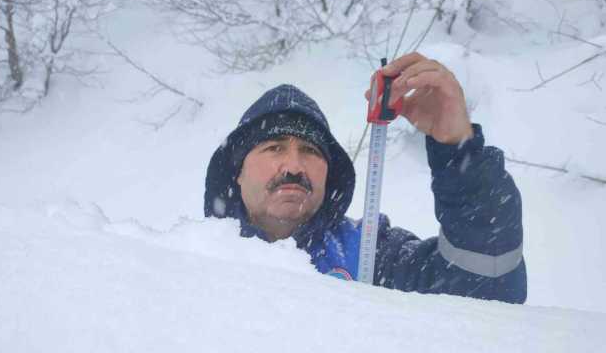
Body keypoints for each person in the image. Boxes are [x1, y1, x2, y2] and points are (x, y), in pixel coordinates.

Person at [204, 52, 526, 304]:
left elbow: (489, 285)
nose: (294, 165)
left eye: (310, 151)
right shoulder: (194, 256)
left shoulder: (371, 253)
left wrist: (457, 151)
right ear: (237, 174)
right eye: (274, 148)